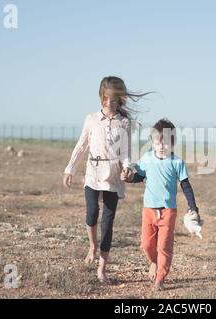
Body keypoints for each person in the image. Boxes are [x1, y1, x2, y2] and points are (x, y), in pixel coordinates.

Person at [63, 76, 151, 283]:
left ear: (120, 99)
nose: (109, 103)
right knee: (92, 212)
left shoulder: (125, 122)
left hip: (114, 175)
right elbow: (81, 145)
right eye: (106, 98)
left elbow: (127, 152)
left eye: (113, 99)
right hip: (93, 172)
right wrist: (70, 169)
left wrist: (127, 168)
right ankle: (92, 245)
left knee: (108, 223)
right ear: (101, 97)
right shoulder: (91, 119)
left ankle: (102, 268)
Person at [121, 118, 201, 291]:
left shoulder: (177, 163)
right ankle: (154, 262)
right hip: (148, 210)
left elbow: (186, 187)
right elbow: (139, 177)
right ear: (153, 141)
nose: (162, 146)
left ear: (172, 143)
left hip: (168, 211)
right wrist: (129, 178)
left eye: (166, 143)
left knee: (163, 246)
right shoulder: (147, 158)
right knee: (147, 245)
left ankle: (160, 278)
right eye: (158, 142)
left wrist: (193, 208)